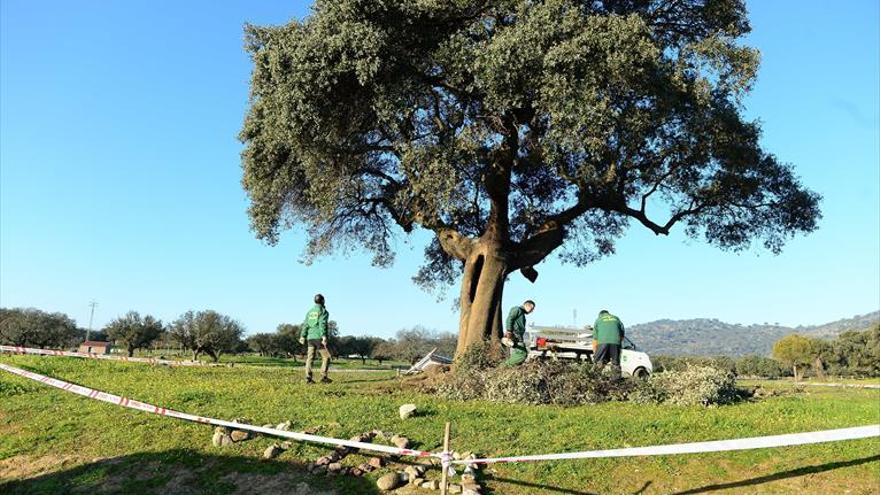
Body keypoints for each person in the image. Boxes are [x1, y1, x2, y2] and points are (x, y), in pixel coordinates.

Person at [299, 294, 332, 384]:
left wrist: (302, 336)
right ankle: (323, 377)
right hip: (318, 337)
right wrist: (324, 336)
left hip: (310, 338)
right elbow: (322, 323)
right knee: (326, 357)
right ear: (323, 301)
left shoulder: (310, 312)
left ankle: (308, 378)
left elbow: (305, 324)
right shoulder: (323, 311)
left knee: (310, 358)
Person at [503, 300, 535, 366]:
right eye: (531, 309)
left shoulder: (521, 313)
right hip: (515, 335)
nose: (532, 311)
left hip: (518, 336)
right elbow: (509, 319)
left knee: (517, 353)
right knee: (522, 354)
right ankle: (505, 366)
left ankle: (511, 367)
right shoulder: (517, 309)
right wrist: (509, 331)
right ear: (527, 306)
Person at [592, 309, 625, 375]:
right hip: (616, 342)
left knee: (598, 362)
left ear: (600, 315)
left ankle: (595, 379)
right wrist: (618, 343)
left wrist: (595, 354)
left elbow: (595, 340)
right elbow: (622, 332)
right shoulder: (616, 318)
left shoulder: (598, 320)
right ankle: (616, 382)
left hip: (602, 343)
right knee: (615, 364)